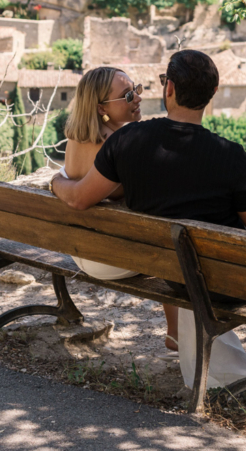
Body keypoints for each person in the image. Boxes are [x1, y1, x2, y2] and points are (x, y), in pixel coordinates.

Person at [51, 49, 246, 382]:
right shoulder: (230, 156)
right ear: (211, 95)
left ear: (169, 90)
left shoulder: (126, 140)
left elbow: (79, 197)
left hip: (172, 271)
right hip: (225, 277)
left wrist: (55, 180)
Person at [61, 66, 181, 354]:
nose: (137, 98)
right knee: (176, 238)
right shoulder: (117, 144)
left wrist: (55, 182)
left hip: (80, 251)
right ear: (102, 107)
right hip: (109, 258)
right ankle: (177, 332)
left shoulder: (75, 139)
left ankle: (177, 332)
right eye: (128, 95)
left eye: (136, 89)